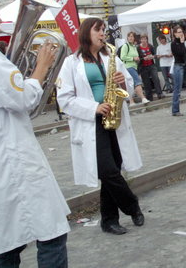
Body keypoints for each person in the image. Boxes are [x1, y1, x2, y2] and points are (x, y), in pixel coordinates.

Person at [0, 0, 70, 267]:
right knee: (52, 234)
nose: (1, 21)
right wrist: (41, 68)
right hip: (13, 158)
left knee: (7, 244)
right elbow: (22, 99)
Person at [57, 18, 144, 235]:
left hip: (115, 118)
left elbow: (129, 89)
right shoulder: (71, 63)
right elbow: (64, 98)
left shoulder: (111, 56)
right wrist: (94, 107)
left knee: (111, 171)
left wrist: (123, 81)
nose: (103, 33)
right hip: (92, 122)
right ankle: (132, 206)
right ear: (86, 33)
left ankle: (109, 220)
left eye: (104, 30)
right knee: (108, 171)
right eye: (98, 30)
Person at [120, 31, 150, 105]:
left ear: (134, 38)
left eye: (132, 36)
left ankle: (131, 101)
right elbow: (122, 57)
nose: (131, 38)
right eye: (129, 36)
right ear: (127, 38)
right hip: (128, 67)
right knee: (137, 82)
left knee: (130, 85)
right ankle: (143, 98)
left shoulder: (134, 47)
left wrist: (137, 59)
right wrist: (133, 59)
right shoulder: (125, 46)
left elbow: (136, 57)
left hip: (134, 67)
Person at [137, 34, 163, 101]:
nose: (144, 41)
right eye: (142, 39)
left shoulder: (150, 46)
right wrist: (143, 58)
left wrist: (153, 56)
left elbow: (155, 55)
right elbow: (138, 58)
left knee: (156, 78)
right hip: (143, 66)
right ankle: (149, 97)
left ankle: (159, 93)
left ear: (147, 39)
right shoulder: (138, 48)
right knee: (146, 82)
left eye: (145, 39)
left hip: (151, 65)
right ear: (140, 40)